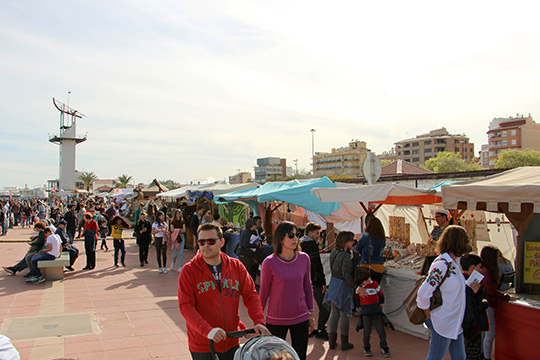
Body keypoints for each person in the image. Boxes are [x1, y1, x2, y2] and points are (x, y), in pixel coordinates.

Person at [178, 223, 270, 360]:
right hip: (204, 344)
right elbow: (186, 306)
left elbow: (250, 295)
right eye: (201, 242)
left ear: (221, 242)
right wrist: (208, 331)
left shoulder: (236, 266)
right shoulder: (189, 270)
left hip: (231, 341)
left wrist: (258, 321)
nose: (205, 246)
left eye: (210, 241)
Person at [259, 221, 314, 360]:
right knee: (274, 357)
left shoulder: (304, 259)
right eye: (291, 235)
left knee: (300, 356)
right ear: (280, 238)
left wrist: (310, 314)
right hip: (276, 319)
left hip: (301, 317)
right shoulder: (269, 262)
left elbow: (308, 286)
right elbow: (263, 292)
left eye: (297, 235)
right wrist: (258, 320)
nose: (295, 239)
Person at [417, 225, 469, 360]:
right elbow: (423, 293)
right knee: (435, 357)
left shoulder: (455, 263)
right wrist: (428, 317)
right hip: (443, 321)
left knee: (459, 357)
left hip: (454, 322)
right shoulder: (441, 264)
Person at [479, 245, 516, 360]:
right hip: (488, 304)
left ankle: (484, 355)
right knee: (490, 333)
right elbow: (491, 291)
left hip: (486, 303)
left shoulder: (485, 269)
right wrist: (505, 297)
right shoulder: (488, 271)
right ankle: (486, 357)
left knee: (486, 332)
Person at [323, 231, 355, 352]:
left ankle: (332, 341)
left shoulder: (334, 252)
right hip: (342, 286)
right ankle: (344, 341)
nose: (353, 242)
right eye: (351, 240)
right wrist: (354, 286)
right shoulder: (346, 256)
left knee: (334, 313)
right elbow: (346, 275)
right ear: (346, 241)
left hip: (334, 283)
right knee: (345, 314)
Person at [299, 222, 329, 340]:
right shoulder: (311, 245)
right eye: (317, 233)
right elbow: (317, 264)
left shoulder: (299, 243)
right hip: (314, 279)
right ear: (310, 233)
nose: (318, 236)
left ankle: (307, 329)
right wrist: (323, 282)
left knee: (305, 306)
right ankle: (321, 328)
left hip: (302, 279)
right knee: (325, 305)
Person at [354, 268, 390, 357]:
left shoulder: (374, 285)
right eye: (366, 280)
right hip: (366, 313)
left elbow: (380, 294)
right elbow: (356, 297)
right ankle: (366, 347)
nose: (369, 280)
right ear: (361, 281)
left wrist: (381, 302)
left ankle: (384, 346)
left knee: (381, 330)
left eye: (369, 278)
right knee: (367, 331)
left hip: (376, 311)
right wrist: (358, 306)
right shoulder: (359, 289)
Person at [460, 254, 488, 360]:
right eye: (479, 267)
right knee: (471, 354)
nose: (481, 270)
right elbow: (470, 307)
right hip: (470, 328)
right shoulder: (467, 285)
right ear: (472, 268)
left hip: (466, 327)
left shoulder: (462, 281)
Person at [355, 217, 386, 284]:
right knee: (374, 288)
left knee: (365, 290)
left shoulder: (366, 236)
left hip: (366, 266)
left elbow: (357, 249)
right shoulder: (382, 238)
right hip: (379, 267)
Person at [237, 218, 261, 282]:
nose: (255, 226)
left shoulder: (245, 231)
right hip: (246, 254)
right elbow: (245, 244)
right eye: (254, 225)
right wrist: (255, 245)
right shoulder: (247, 232)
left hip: (245, 254)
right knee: (248, 271)